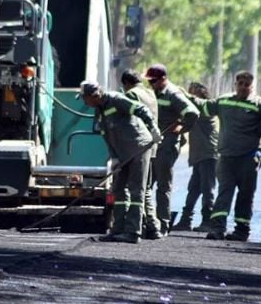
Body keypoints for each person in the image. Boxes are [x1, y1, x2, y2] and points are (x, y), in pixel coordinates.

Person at [189, 71, 261, 242]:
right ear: (235, 84)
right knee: (224, 192)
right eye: (240, 84)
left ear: (252, 87)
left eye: (247, 85)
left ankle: (241, 230)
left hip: (248, 157)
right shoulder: (224, 101)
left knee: (245, 194)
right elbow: (205, 107)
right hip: (226, 157)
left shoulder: (259, 104)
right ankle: (217, 228)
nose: (243, 87)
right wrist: (185, 97)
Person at [79, 81, 162, 244]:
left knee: (136, 190)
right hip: (122, 154)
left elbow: (141, 109)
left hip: (139, 147)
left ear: (94, 96)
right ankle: (118, 229)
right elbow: (106, 134)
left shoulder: (116, 99)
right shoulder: (100, 110)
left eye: (84, 98)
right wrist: (114, 156)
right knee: (118, 189)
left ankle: (133, 232)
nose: (83, 102)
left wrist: (153, 129)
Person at [145, 64, 200, 235]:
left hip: (167, 145)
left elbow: (192, 112)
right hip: (154, 144)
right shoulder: (154, 93)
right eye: (149, 81)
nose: (151, 84)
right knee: (147, 184)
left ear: (163, 79)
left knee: (163, 186)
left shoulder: (173, 94)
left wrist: (182, 128)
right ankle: (148, 222)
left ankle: (163, 223)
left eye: (153, 81)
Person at [171, 82, 219, 232]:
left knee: (207, 189)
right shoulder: (195, 112)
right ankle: (186, 220)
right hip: (199, 156)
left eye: (194, 93)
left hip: (209, 155)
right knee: (193, 189)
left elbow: (192, 106)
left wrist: (178, 91)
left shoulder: (205, 111)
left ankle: (207, 220)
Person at [121, 69, 163, 240]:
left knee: (137, 189)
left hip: (137, 147)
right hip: (151, 147)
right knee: (146, 189)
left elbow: (129, 121)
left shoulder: (131, 94)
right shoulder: (150, 93)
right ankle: (152, 226)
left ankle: (144, 226)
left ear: (126, 83)